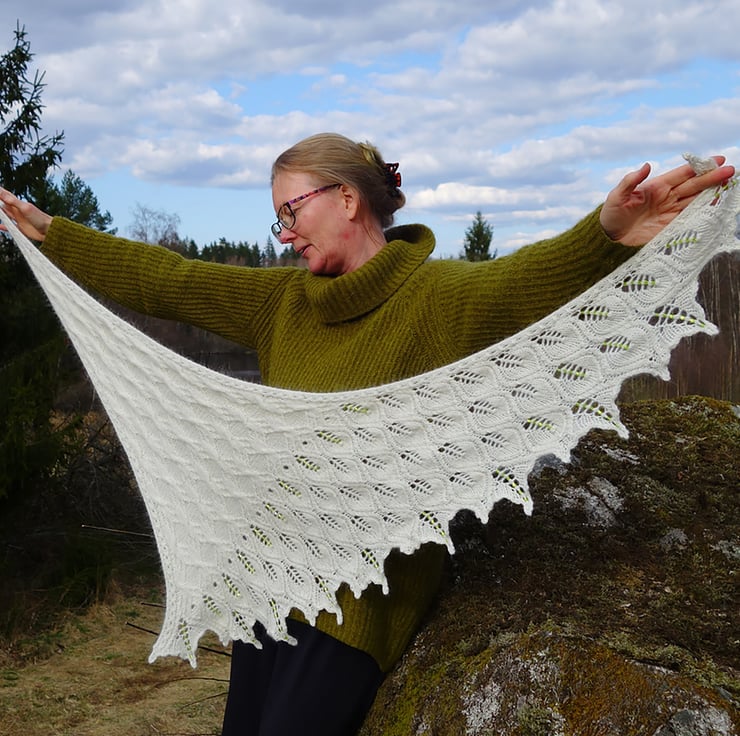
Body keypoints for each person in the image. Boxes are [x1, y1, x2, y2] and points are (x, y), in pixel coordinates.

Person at [0, 134, 733, 736]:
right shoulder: (282, 303)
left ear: (347, 200)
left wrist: (605, 235)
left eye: (291, 211)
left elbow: (523, 282)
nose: (284, 233)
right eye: (277, 219)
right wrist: (53, 235)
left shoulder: (436, 299)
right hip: (271, 585)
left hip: (357, 604)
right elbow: (169, 279)